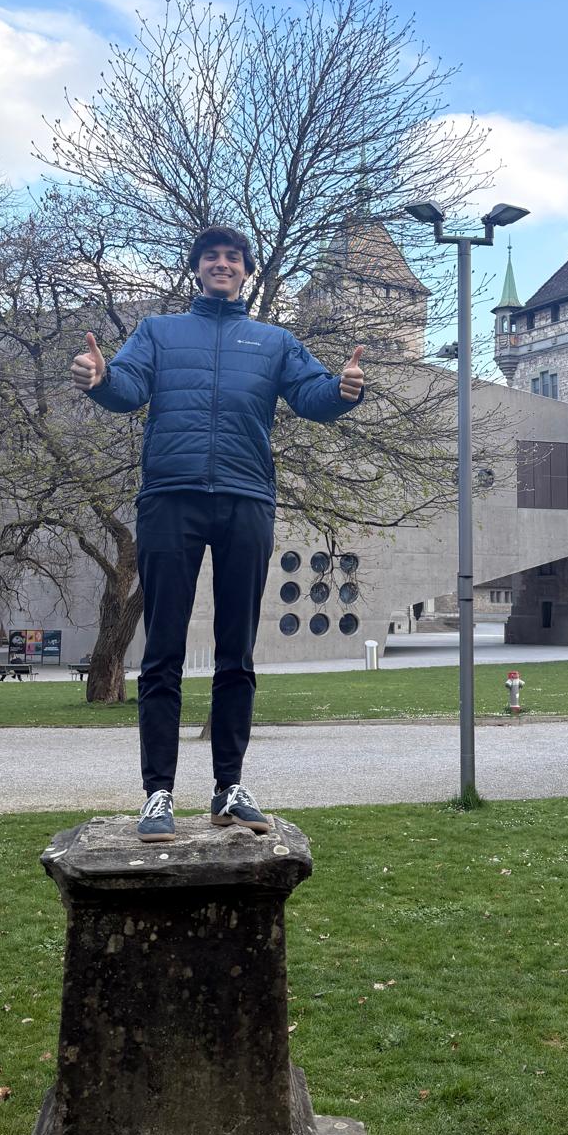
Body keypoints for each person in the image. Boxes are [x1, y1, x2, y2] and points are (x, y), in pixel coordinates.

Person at [71, 225, 365, 844]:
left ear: (246, 271)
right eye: (212, 257)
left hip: (245, 499)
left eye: (233, 257)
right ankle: (158, 795)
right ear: (197, 269)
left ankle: (229, 788)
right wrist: (100, 379)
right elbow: (127, 389)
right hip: (169, 500)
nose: (223, 264)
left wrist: (342, 392)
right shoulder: (158, 331)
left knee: (238, 652)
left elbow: (311, 397)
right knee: (163, 653)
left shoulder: (275, 341)